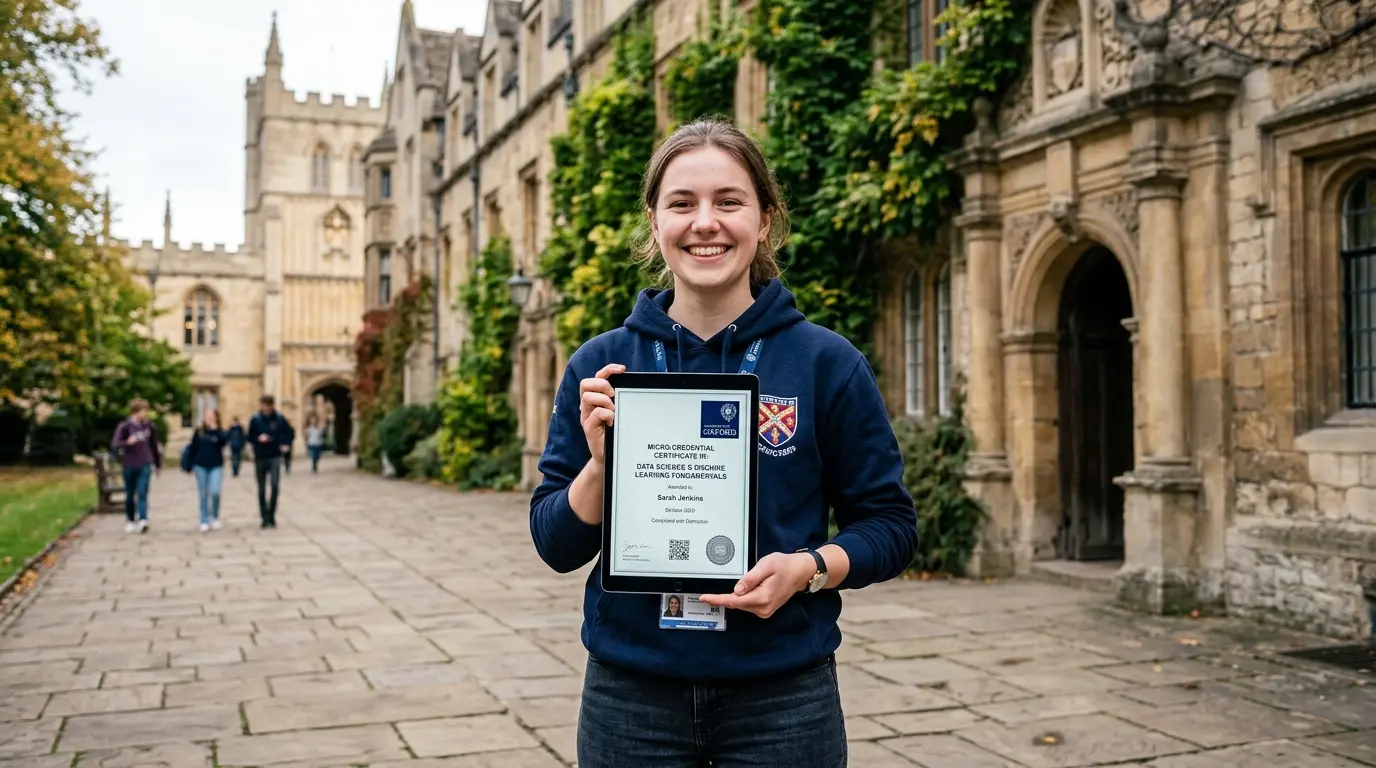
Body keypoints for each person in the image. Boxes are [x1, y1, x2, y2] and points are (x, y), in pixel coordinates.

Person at [529, 116, 918, 767]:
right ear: (655, 222)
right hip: (632, 698)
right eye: (682, 203)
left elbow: (889, 525)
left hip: (783, 698)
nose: (704, 222)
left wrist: (809, 570)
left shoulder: (826, 363)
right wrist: (600, 469)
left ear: (764, 220)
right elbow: (554, 545)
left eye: (728, 201)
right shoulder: (602, 368)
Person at [110, 399, 163, 534]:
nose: (145, 414)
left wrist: (158, 464)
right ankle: (130, 519)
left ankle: (143, 519)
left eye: (146, 411)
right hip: (129, 464)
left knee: (142, 491)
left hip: (145, 463)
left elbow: (154, 446)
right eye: (143, 411)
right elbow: (116, 444)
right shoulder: (125, 427)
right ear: (135, 412)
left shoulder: (149, 427)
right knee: (130, 494)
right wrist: (127, 442)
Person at [248, 395, 289, 528]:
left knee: (275, 485)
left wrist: (285, 444)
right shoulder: (255, 420)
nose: (265, 408)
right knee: (261, 489)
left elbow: (288, 433)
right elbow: (249, 436)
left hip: (275, 456)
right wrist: (258, 439)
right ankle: (264, 516)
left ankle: (271, 514)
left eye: (267, 405)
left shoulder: (279, 419)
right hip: (260, 456)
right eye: (263, 405)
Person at [186, 408, 227, 532]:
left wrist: (216, 430)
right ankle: (204, 520)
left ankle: (214, 516)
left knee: (215, 492)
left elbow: (224, 442)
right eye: (207, 415)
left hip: (216, 465)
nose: (209, 418)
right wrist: (189, 465)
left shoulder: (219, 431)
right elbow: (192, 448)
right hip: (200, 465)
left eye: (211, 415)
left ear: (216, 417)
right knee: (203, 494)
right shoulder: (199, 432)